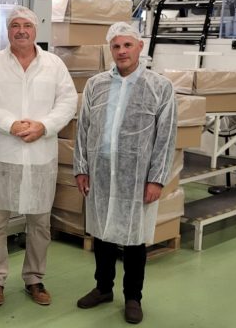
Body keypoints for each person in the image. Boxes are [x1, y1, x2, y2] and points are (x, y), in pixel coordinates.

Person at [0, 6, 77, 307]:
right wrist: (10, 124)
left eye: (26, 25)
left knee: (40, 224)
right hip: (4, 155)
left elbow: (68, 101)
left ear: (35, 30)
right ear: (8, 31)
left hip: (40, 156)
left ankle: (34, 278)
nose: (21, 31)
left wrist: (44, 126)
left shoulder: (54, 64)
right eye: (15, 25)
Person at [74, 22, 177, 324]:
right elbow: (83, 129)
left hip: (137, 176)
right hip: (100, 172)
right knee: (102, 233)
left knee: (134, 238)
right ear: (110, 49)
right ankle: (103, 288)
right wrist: (81, 168)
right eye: (116, 46)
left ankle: (133, 297)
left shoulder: (159, 87)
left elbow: (166, 136)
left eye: (127, 45)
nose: (121, 51)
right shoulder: (95, 85)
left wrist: (157, 178)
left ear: (139, 47)